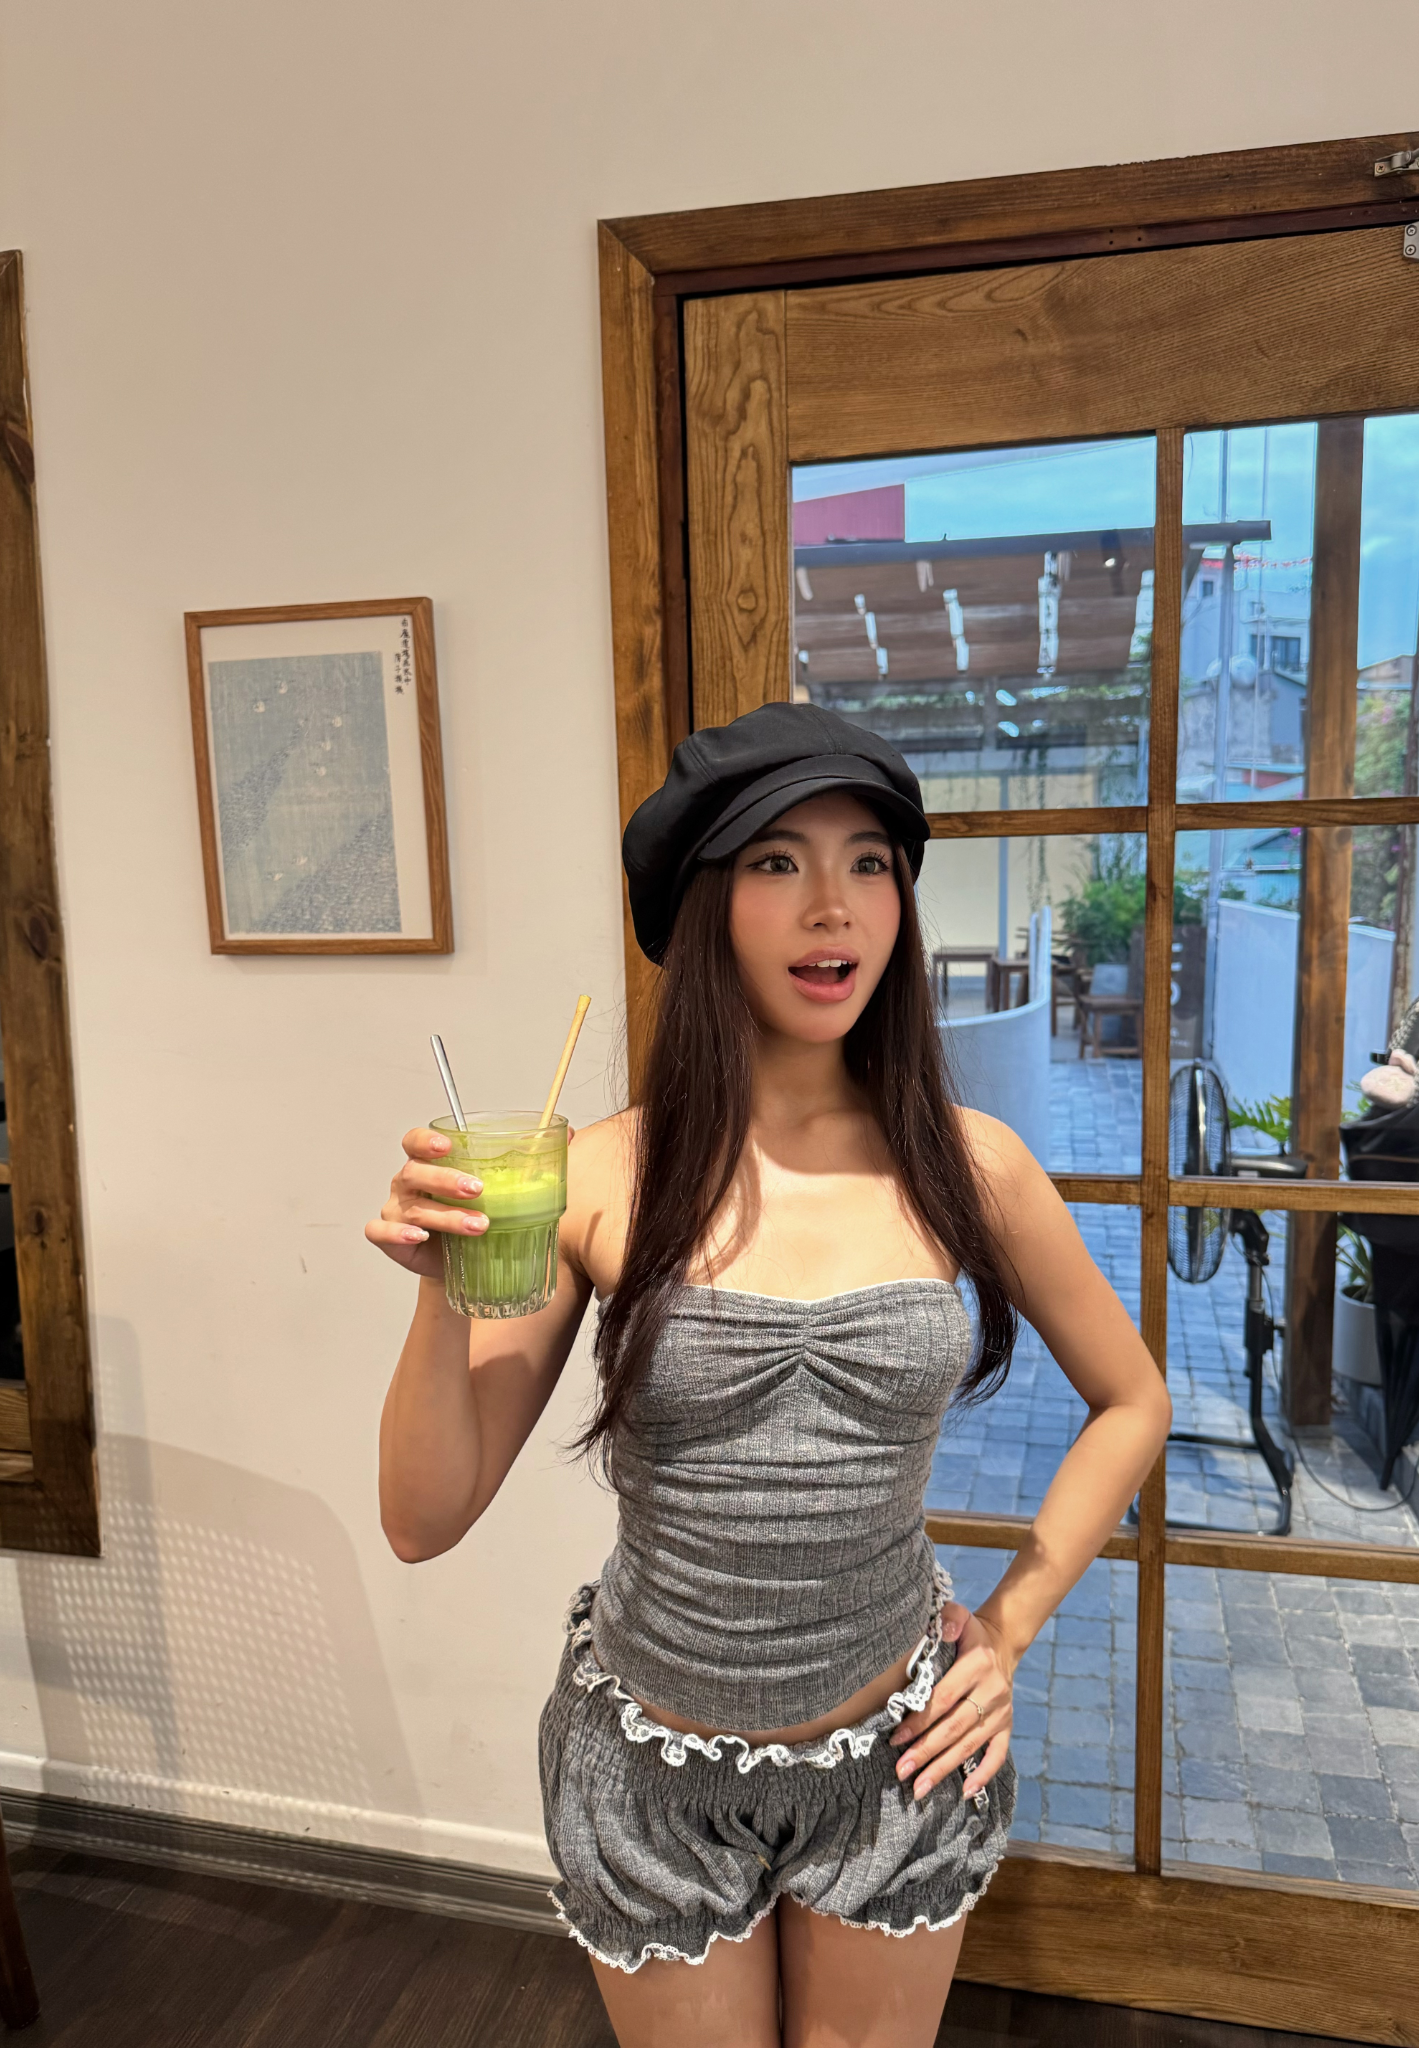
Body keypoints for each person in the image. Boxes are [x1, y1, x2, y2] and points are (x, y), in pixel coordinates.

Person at [368, 704, 1171, 2048]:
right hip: (650, 1778)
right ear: (705, 904)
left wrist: (1010, 1627)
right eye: (778, 862)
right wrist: (440, 1293)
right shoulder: (595, 1173)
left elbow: (1133, 1400)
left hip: (898, 1757)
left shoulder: (972, 1163)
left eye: (870, 863)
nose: (832, 907)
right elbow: (420, 1516)